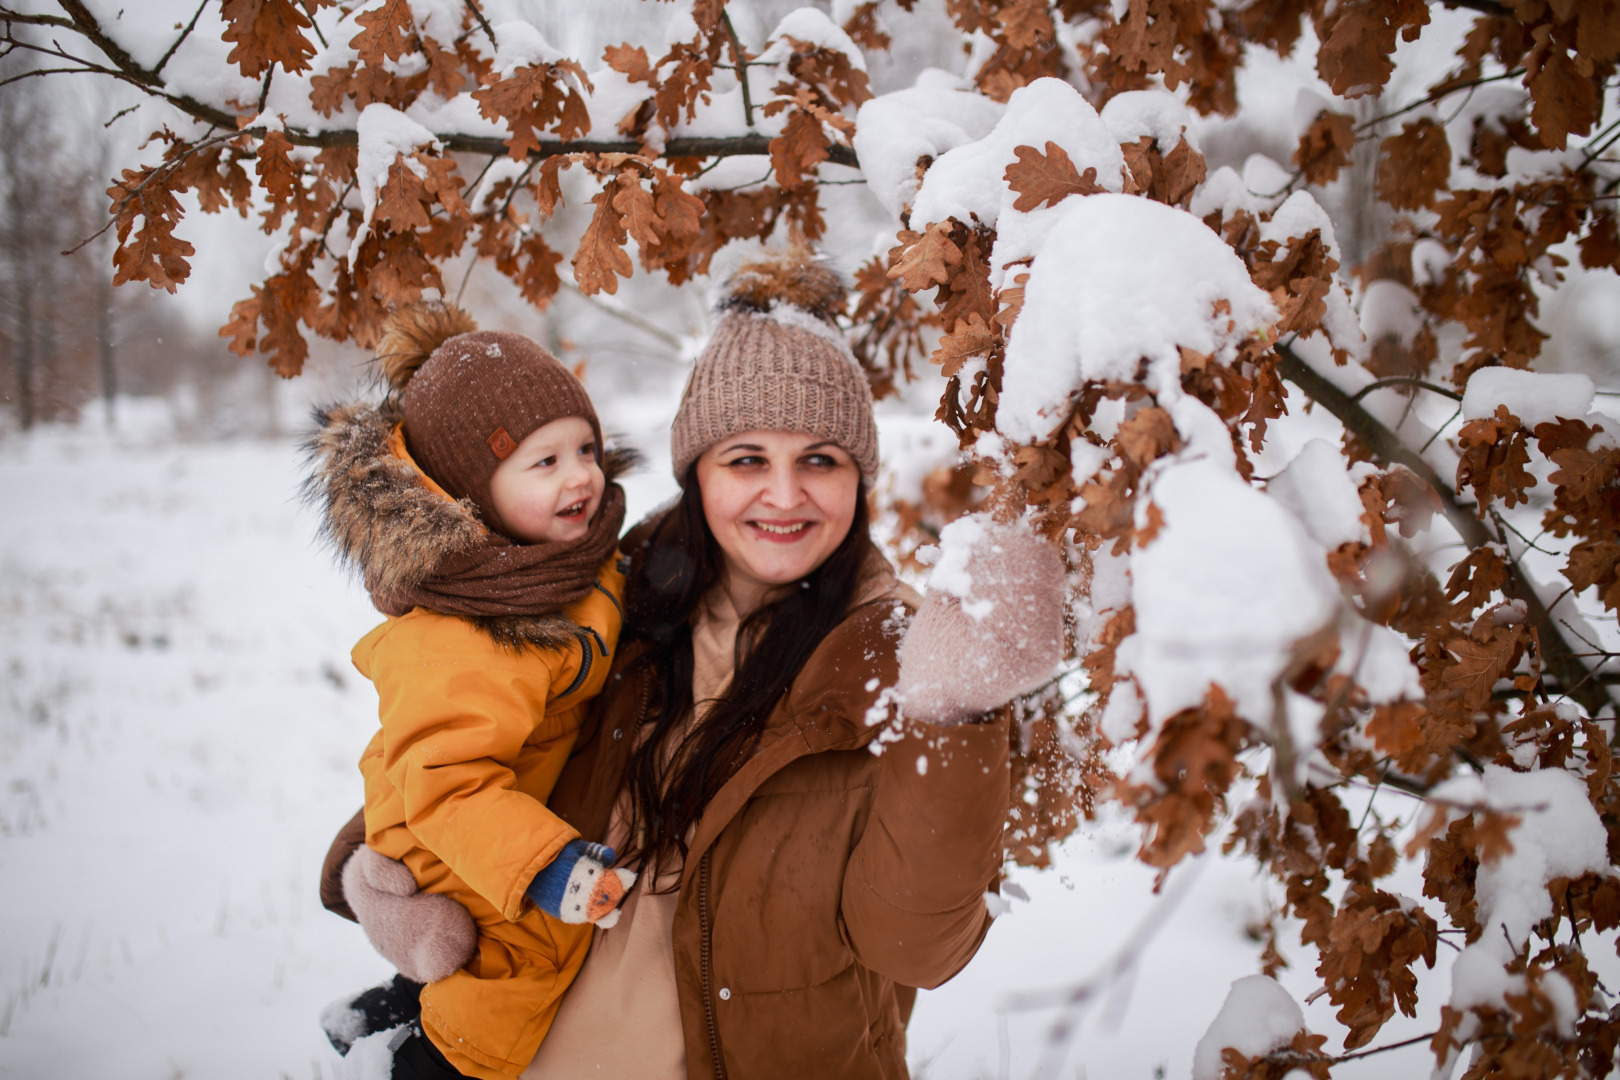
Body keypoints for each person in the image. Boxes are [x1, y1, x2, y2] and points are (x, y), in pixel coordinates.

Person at [320, 250, 1068, 1079]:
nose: (783, 496)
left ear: (860, 476)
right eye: (746, 459)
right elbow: (465, 748)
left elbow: (915, 944)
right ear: (695, 472)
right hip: (509, 1054)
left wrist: (952, 714)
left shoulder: (897, 664)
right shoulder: (618, 598)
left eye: (820, 460)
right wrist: (371, 863)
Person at [305, 303, 640, 1080]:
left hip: (485, 805)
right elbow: (448, 784)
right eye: (543, 461)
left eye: (585, 448)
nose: (583, 475)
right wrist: (549, 867)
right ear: (471, 494)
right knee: (520, 960)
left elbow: (607, 600)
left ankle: (388, 1007)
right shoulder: (465, 634)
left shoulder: (561, 557)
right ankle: (435, 1060)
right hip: (452, 825)